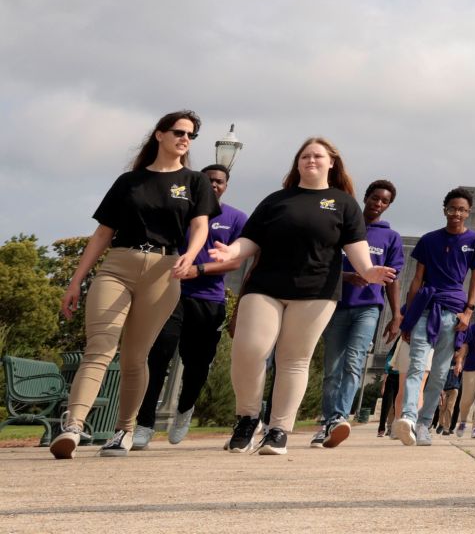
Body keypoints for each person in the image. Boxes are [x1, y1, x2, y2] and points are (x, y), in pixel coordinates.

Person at [209, 136, 397, 455]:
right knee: (249, 350)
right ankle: (247, 420)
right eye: (305, 156)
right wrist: (231, 251)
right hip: (266, 285)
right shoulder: (276, 200)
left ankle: (279, 429)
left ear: (332, 163)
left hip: (316, 291)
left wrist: (369, 271)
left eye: (318, 156)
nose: (311, 160)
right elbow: (251, 240)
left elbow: (357, 249)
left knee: (294, 359)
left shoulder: (344, 203)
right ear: (297, 163)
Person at [50, 111, 216, 459]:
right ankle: (74, 426)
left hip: (164, 270)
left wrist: (192, 255)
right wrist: (76, 282)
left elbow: (200, 226)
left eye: (191, 135)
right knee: (100, 345)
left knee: (136, 356)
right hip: (118, 265)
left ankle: (124, 430)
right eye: (179, 132)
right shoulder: (129, 181)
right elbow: (101, 234)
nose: (185, 139)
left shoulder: (194, 183)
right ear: (159, 135)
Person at [132, 162, 247, 449]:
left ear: (226, 185)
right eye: (208, 181)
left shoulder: (235, 218)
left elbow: (236, 261)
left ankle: (184, 409)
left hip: (209, 300)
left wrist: (200, 270)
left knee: (197, 365)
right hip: (170, 294)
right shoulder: (179, 211)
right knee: (158, 356)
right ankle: (144, 423)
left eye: (219, 181)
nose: (214, 185)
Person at [314, 178, 405, 448]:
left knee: (354, 363)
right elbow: (322, 265)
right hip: (336, 304)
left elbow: (392, 278)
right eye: (375, 197)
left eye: (384, 201)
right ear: (365, 197)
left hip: (368, 308)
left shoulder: (390, 237)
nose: (378, 203)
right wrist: (348, 277)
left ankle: (339, 419)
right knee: (331, 368)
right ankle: (326, 421)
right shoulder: (343, 227)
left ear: (388, 205)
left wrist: (396, 315)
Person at [395, 188, 475, 446]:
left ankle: (425, 423)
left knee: (438, 374)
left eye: (462, 209)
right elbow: (415, 280)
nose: (456, 213)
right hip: (426, 308)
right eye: (452, 208)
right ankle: (409, 418)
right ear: (444, 209)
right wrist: (408, 317)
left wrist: (469, 311)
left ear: (468, 213)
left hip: (454, 311)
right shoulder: (428, 240)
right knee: (416, 365)